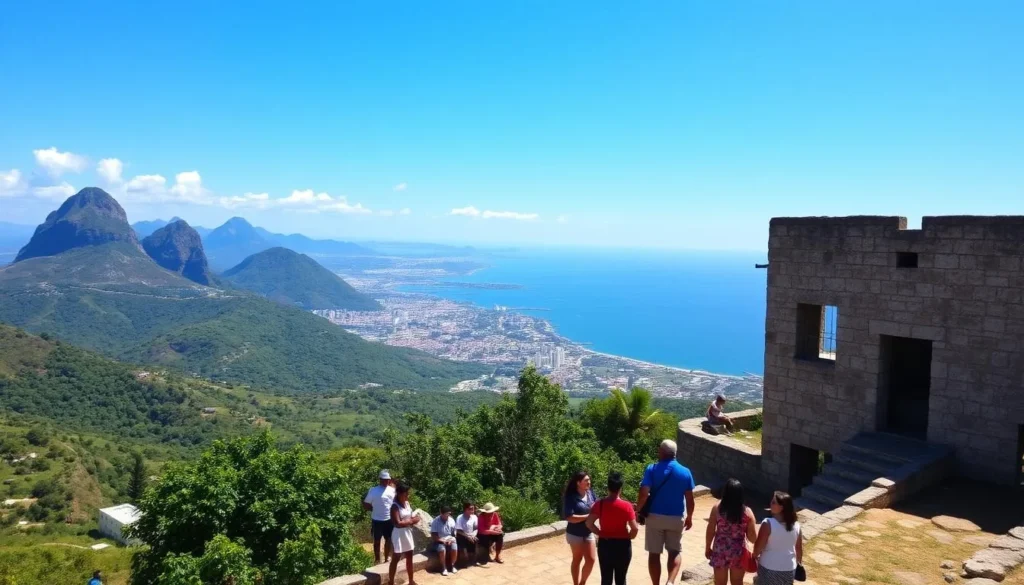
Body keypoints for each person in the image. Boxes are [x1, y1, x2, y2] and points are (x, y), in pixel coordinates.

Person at [636, 439, 696, 585]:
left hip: (655, 517)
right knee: (674, 551)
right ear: (675, 454)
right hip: (676, 518)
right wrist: (690, 518)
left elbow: (644, 492)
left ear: (661, 452)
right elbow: (690, 499)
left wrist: (638, 510)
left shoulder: (652, 469)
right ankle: (670, 582)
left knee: (654, 554)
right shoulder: (685, 472)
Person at [586, 471, 639, 585]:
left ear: (608, 488)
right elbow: (635, 528)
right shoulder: (627, 506)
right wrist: (629, 537)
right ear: (620, 488)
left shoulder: (599, 504)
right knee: (621, 579)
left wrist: (600, 533)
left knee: (606, 579)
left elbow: (589, 523)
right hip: (623, 546)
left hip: (605, 544)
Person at [705, 479, 758, 585]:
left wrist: (707, 547)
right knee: (737, 582)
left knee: (720, 582)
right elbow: (752, 537)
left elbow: (710, 530)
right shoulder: (747, 512)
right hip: (738, 551)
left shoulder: (717, 508)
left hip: (720, 549)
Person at [753, 491, 803, 585]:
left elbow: (758, 548)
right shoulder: (797, 525)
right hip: (789, 569)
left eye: (773, 502)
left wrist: (754, 556)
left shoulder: (768, 523)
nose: (770, 504)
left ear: (781, 507)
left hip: (769, 568)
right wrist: (798, 565)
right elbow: (799, 549)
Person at [564, 470, 598, 585]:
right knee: (577, 559)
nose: (589, 482)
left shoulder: (590, 493)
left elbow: (597, 505)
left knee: (591, 559)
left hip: (588, 531)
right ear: (578, 483)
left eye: (589, 480)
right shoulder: (570, 497)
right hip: (574, 534)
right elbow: (569, 517)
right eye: (586, 480)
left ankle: (582, 582)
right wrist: (588, 516)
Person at [388, 481, 422, 585]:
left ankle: (411, 581)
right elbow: (398, 523)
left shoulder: (407, 503)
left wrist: (412, 519)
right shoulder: (394, 506)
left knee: (409, 557)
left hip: (407, 533)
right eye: (406, 493)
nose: (408, 495)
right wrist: (412, 521)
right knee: (396, 558)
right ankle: (391, 582)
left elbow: (408, 518)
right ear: (399, 493)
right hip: (398, 534)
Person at [363, 469, 396, 564]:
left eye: (387, 479)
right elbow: (366, 503)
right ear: (380, 479)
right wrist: (374, 509)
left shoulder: (392, 491)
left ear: (389, 480)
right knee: (377, 540)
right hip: (377, 520)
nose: (386, 481)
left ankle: (386, 558)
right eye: (384, 479)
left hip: (389, 519)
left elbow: (394, 503)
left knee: (388, 539)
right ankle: (377, 559)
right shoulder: (373, 491)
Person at [431, 505, 459, 576]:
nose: (447, 516)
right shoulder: (435, 521)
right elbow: (434, 536)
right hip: (439, 540)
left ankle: (452, 565)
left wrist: (451, 539)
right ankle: (444, 568)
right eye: (445, 515)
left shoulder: (451, 520)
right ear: (441, 513)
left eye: (448, 514)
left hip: (449, 539)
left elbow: (454, 533)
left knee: (454, 548)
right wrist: (443, 541)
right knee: (442, 549)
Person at [455, 501, 479, 566]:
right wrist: (467, 536)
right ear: (465, 509)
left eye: (473, 508)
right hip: (462, 536)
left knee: (476, 540)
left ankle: (473, 559)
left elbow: (476, 528)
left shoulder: (474, 517)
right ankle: (464, 559)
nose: (473, 510)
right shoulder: (460, 518)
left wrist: (474, 534)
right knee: (463, 548)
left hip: (471, 535)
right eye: (470, 509)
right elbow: (458, 530)